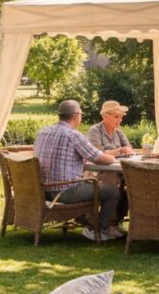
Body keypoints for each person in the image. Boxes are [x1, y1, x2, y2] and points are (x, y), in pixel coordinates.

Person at [33, 99, 123, 241]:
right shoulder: (73, 135)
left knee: (99, 186)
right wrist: (115, 158)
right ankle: (97, 229)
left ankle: (93, 223)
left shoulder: (43, 132)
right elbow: (98, 158)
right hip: (65, 191)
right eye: (81, 115)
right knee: (113, 191)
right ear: (76, 116)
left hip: (43, 190)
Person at [86, 100, 135, 221]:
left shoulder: (118, 131)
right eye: (116, 117)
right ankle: (107, 222)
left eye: (121, 117)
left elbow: (128, 148)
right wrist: (119, 150)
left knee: (134, 183)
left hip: (117, 169)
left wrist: (125, 150)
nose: (119, 120)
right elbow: (96, 152)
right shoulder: (95, 130)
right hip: (98, 171)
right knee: (112, 180)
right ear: (105, 116)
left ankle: (118, 219)